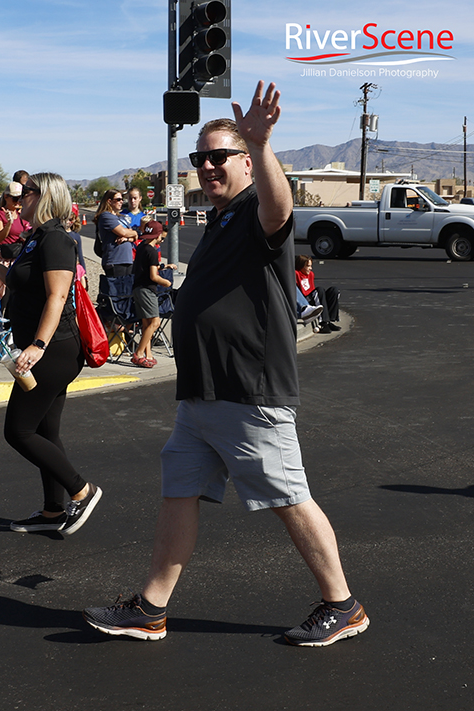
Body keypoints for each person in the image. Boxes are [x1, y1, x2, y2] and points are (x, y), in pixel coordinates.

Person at [83, 82, 368, 647]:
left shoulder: (255, 215)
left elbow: (280, 207)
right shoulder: (217, 219)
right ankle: (151, 608)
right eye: (200, 158)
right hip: (202, 393)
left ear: (243, 161)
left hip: (248, 389)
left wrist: (262, 144)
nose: (208, 167)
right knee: (179, 490)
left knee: (288, 497)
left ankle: (343, 605)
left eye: (220, 157)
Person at [0, 172, 102, 535]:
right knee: (46, 430)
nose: (19, 198)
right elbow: (29, 286)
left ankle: (82, 489)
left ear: (44, 196)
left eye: (27, 192)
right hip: (43, 346)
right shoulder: (35, 239)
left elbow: (57, 295)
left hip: (54, 349)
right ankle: (53, 511)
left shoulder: (57, 240)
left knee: (18, 430)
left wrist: (37, 345)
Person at [130, 220, 175, 368]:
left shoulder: (142, 247)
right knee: (155, 322)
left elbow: (148, 267)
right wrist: (166, 283)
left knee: (147, 323)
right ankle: (139, 353)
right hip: (147, 289)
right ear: (158, 235)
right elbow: (153, 276)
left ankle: (148, 354)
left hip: (137, 288)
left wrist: (162, 267)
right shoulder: (152, 251)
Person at [94, 189, 138, 277]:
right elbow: (122, 232)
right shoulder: (106, 216)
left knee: (127, 289)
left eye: (122, 199)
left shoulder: (121, 217)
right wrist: (132, 233)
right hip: (115, 260)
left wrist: (128, 237)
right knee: (117, 289)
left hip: (127, 259)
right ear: (109, 201)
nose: (121, 201)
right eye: (118, 199)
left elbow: (135, 237)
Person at [296, 255, 340, 333]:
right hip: (306, 299)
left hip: (314, 296)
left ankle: (330, 320)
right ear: (301, 265)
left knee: (334, 290)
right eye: (308, 266)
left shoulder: (311, 274)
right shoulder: (296, 274)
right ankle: (323, 322)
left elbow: (311, 288)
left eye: (311, 266)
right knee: (320, 290)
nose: (310, 268)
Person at [0, 182, 32, 260]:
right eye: (15, 198)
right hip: (6, 257)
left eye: (21, 198)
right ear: (6, 196)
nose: (18, 201)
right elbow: (0, 238)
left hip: (20, 255)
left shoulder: (21, 213)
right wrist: (9, 223)